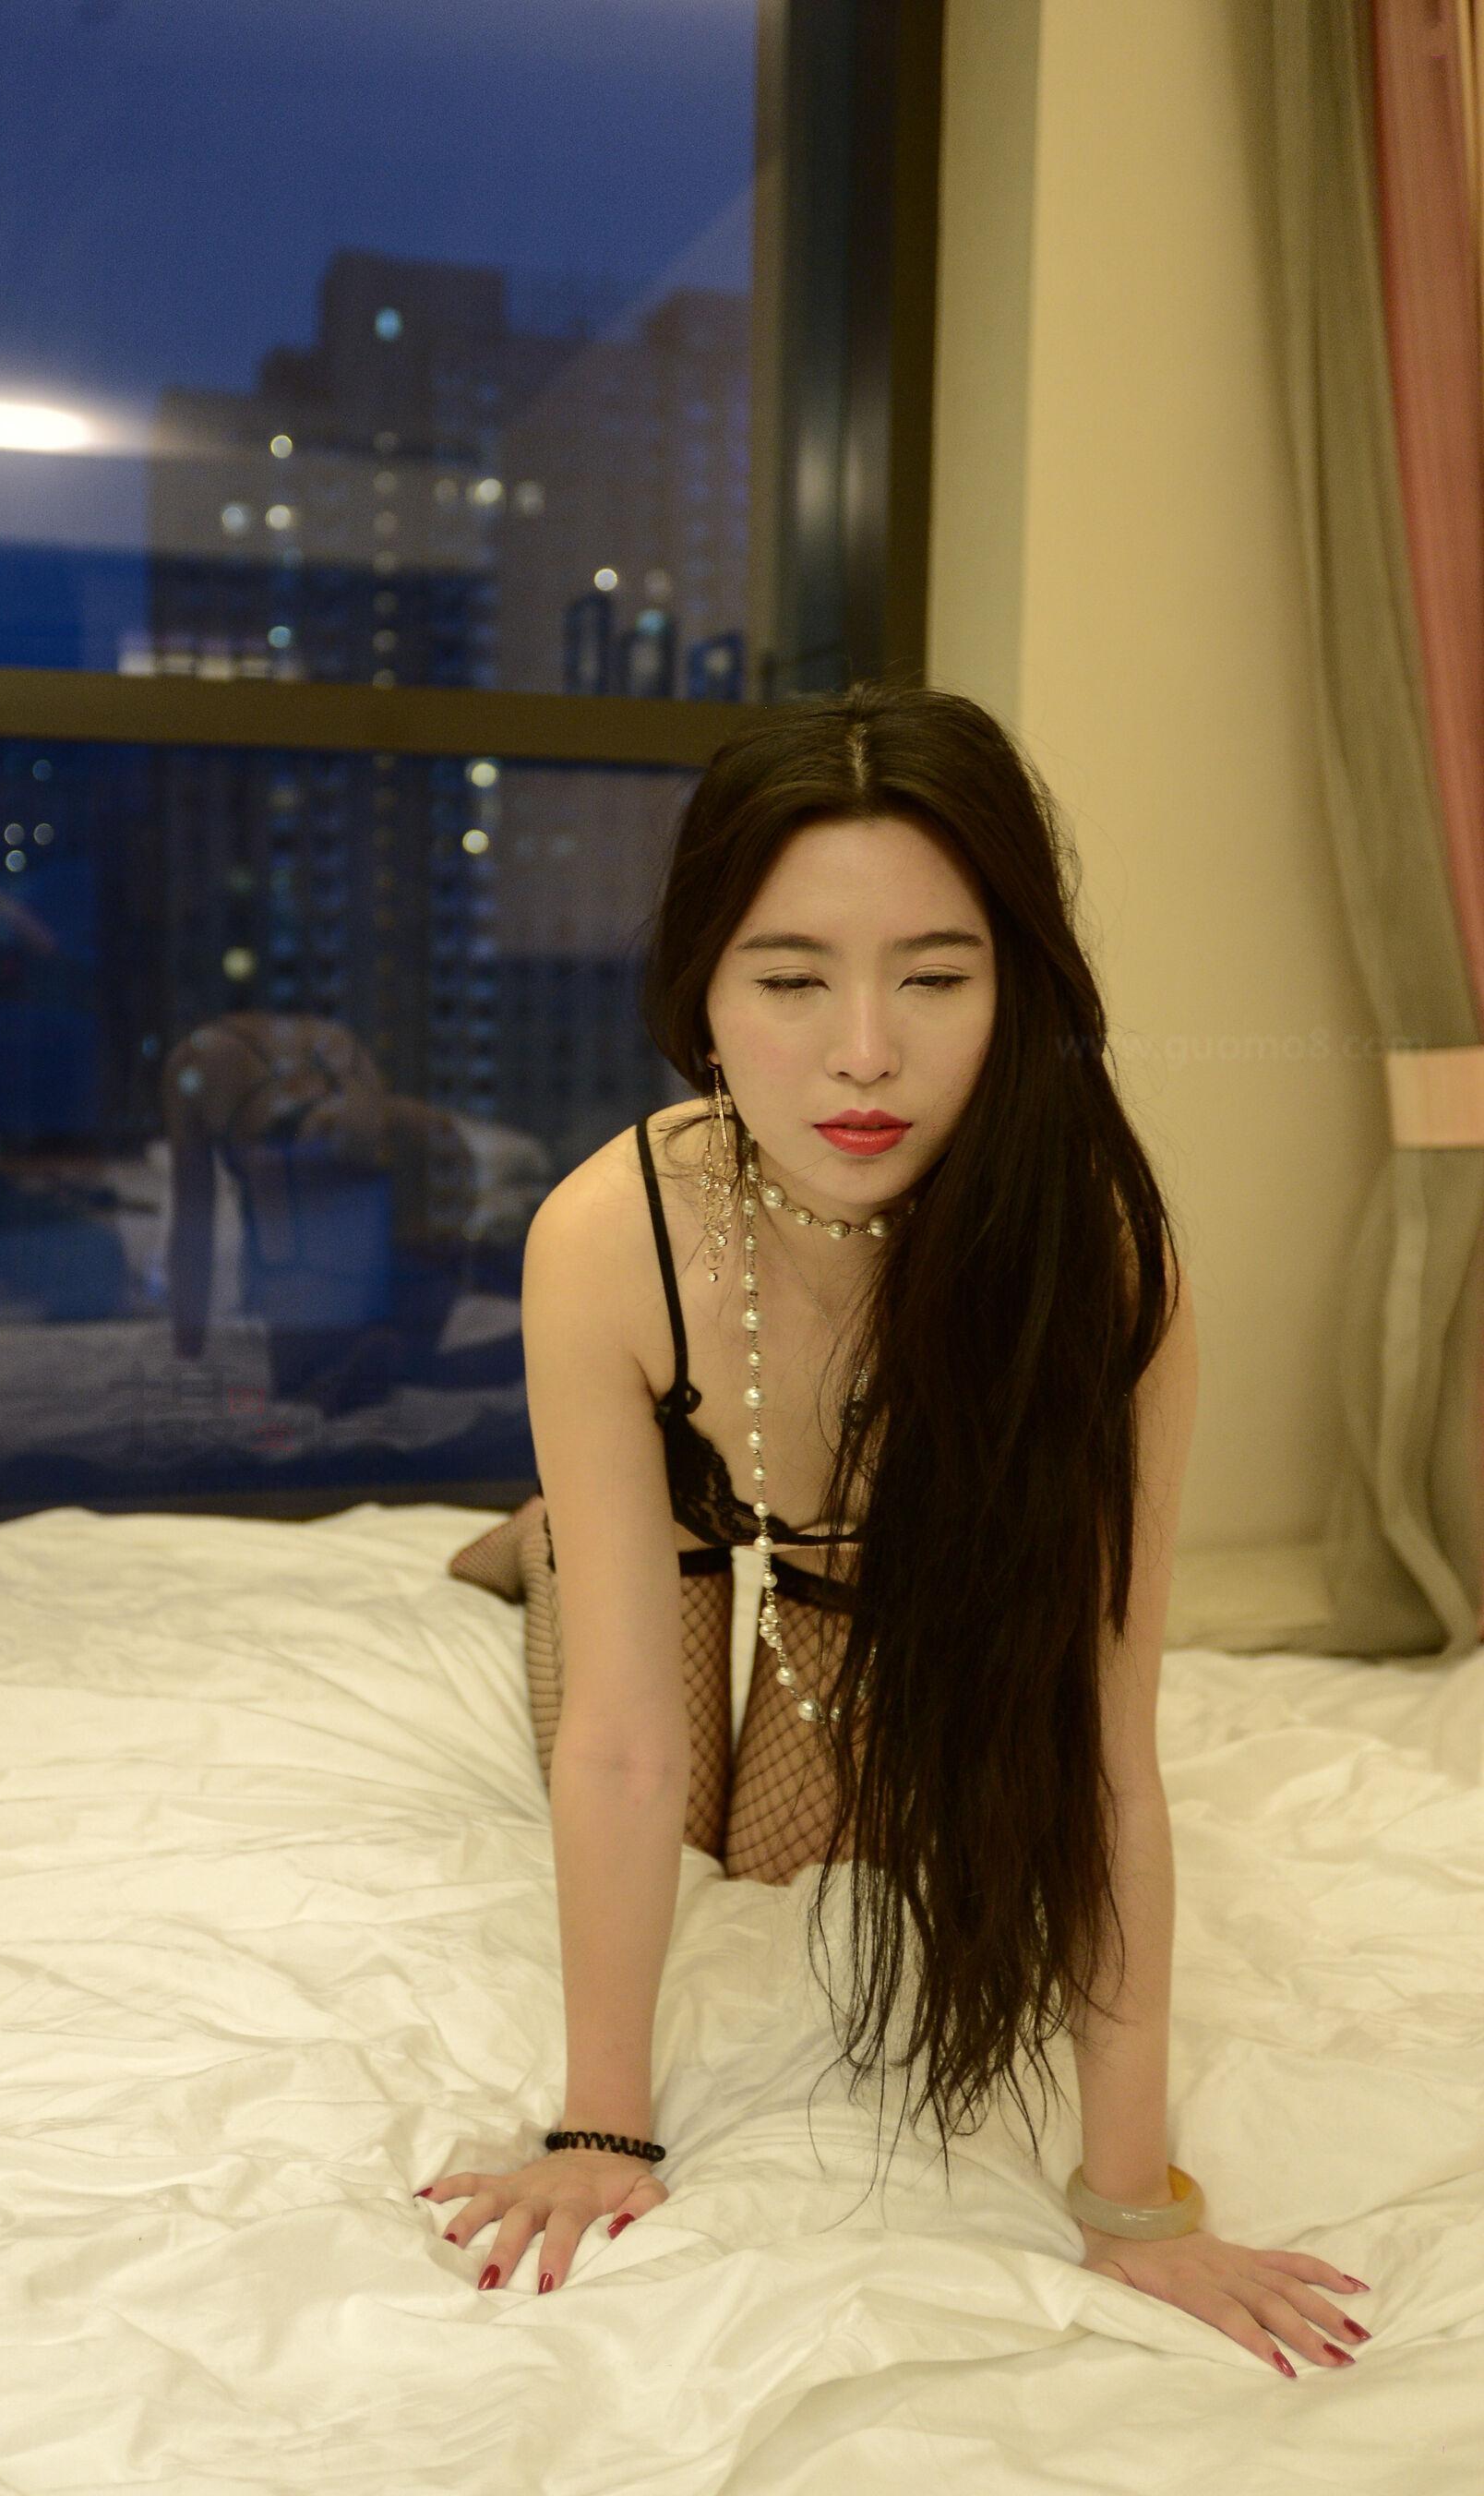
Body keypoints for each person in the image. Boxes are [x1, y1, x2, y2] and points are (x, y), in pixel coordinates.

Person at [414, 684, 1371, 2380]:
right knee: (648, 1755)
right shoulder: (608, 1234)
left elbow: (1106, 1753)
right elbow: (628, 1748)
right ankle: (554, 1536)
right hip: (695, 1494)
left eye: (936, 978)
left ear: (1018, 991)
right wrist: (603, 2129)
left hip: (871, 1557)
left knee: (780, 1853)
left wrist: (1136, 2203)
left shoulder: (1105, 1264)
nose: (866, 1052)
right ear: (704, 998)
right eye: (791, 980)